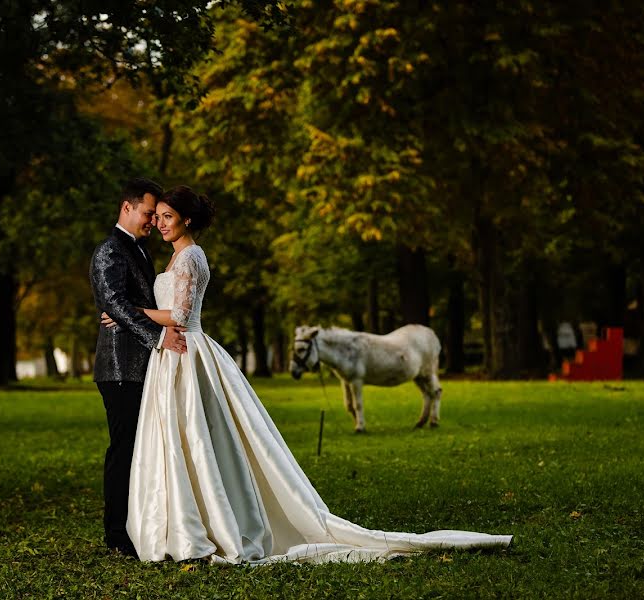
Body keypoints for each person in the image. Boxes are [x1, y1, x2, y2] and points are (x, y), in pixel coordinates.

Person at [108, 185, 512, 563]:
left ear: (187, 221)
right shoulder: (175, 256)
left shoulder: (192, 256)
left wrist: (127, 313)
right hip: (173, 354)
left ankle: (203, 525)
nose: (160, 222)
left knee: (195, 434)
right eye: (157, 216)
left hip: (187, 349)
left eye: (167, 216)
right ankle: (183, 518)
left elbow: (179, 315)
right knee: (181, 437)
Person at [89, 177, 188, 557]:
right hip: (119, 367)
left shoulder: (140, 250)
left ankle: (141, 525)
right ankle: (117, 535)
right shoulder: (109, 250)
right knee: (124, 448)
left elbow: (130, 304)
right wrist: (159, 337)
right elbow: (112, 301)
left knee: (143, 448)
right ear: (126, 207)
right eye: (148, 213)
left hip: (143, 365)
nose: (152, 222)